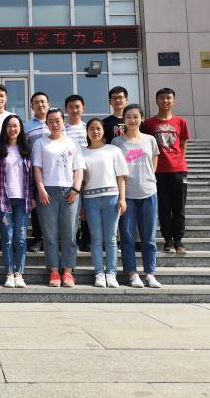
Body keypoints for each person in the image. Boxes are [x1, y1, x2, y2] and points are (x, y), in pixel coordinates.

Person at [33, 108, 85, 287]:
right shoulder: (40, 143)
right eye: (51, 121)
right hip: (47, 191)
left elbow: (79, 168)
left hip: (70, 190)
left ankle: (68, 271)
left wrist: (76, 189)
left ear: (64, 122)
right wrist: (41, 189)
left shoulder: (72, 142)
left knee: (69, 233)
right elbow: (37, 168)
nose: (54, 124)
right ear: (46, 124)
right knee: (50, 234)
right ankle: (54, 271)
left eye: (57, 120)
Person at [114, 104, 162, 288]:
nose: (132, 120)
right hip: (127, 194)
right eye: (128, 117)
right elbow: (116, 170)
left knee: (149, 237)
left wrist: (146, 179)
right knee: (127, 237)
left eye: (136, 116)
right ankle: (132, 273)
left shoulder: (150, 140)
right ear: (123, 120)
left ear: (142, 119)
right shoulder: (117, 142)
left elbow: (153, 164)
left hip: (148, 192)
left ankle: (150, 273)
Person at [81, 118, 129, 289]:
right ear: (87, 132)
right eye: (91, 129)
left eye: (98, 128)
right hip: (90, 199)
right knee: (96, 238)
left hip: (111, 198)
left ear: (103, 131)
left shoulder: (113, 150)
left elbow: (121, 177)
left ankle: (111, 273)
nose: (95, 132)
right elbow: (81, 181)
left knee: (111, 238)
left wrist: (122, 198)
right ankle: (99, 273)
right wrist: (81, 205)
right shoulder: (82, 152)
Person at [144, 87, 190, 254]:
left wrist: (179, 160)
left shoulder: (180, 121)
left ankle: (179, 240)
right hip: (158, 171)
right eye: (162, 98)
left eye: (168, 98)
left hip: (178, 169)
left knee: (179, 206)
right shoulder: (148, 123)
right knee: (163, 207)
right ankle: (168, 240)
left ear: (173, 101)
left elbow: (183, 143)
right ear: (156, 101)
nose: (165, 101)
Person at [0, 114, 34, 288]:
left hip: (23, 199)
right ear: (5, 128)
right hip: (4, 199)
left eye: (16, 126)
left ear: (20, 128)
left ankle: (20, 274)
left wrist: (32, 196)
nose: (13, 129)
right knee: (8, 238)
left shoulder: (26, 150)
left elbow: (32, 176)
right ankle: (9, 273)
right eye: (9, 126)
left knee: (20, 238)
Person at [64, 94, 91, 253]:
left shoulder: (88, 128)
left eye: (77, 107)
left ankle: (87, 239)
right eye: (71, 107)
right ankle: (73, 238)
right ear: (66, 109)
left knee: (87, 208)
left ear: (83, 108)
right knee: (72, 209)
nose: (74, 110)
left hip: (89, 174)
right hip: (69, 175)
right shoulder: (63, 129)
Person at [24, 91, 50, 253]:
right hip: (35, 171)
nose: (40, 105)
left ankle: (53, 238)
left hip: (55, 171)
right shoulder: (26, 126)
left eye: (43, 102)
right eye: (36, 102)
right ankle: (38, 238)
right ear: (32, 106)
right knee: (37, 206)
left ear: (48, 104)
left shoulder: (56, 122)